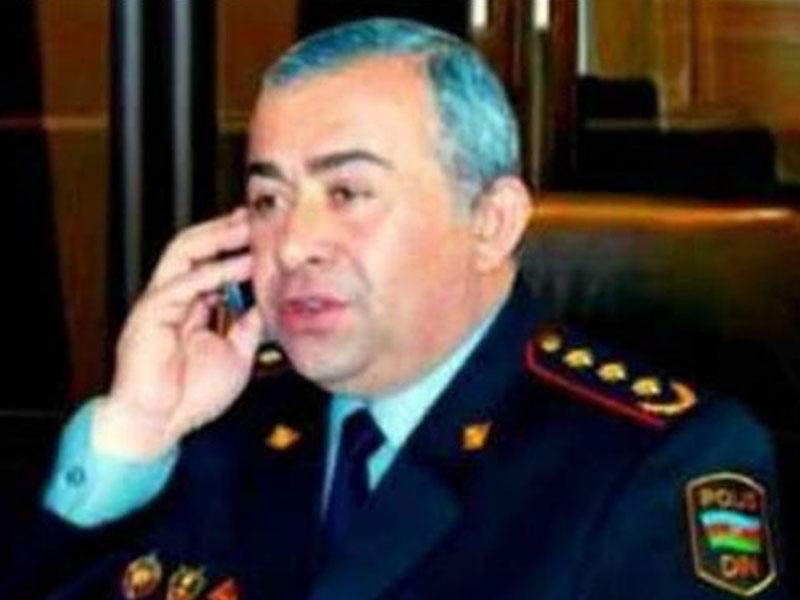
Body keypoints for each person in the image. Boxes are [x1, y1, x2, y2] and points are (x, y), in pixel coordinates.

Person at [5, 18, 787, 600]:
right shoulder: (213, 427)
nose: (294, 243)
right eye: (268, 199)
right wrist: (132, 433)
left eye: (348, 192)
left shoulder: (655, 466)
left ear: (491, 223)